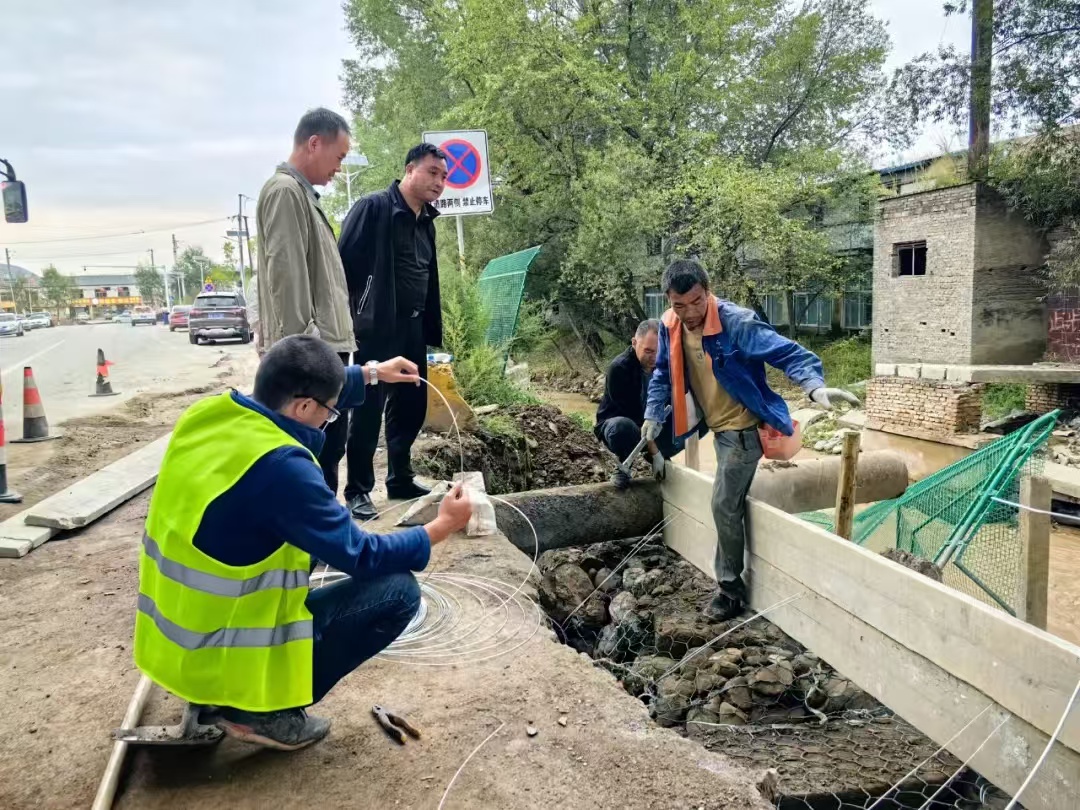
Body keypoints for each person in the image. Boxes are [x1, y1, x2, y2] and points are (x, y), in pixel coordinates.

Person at [132, 335, 473, 751]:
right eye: (331, 410)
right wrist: (441, 525)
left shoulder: (207, 416)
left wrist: (371, 374)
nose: (331, 417)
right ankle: (263, 712)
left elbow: (306, 390)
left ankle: (218, 695)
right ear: (305, 407)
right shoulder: (283, 468)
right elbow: (364, 555)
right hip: (229, 655)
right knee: (398, 592)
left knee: (305, 545)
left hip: (177, 647)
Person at [643, 259, 857, 621]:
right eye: (680, 305)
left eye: (696, 302)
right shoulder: (669, 324)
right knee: (724, 494)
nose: (690, 313)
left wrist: (814, 386)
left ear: (708, 292)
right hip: (710, 423)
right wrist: (652, 413)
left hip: (742, 428)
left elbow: (786, 352)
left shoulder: (736, 322)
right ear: (668, 301)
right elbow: (663, 372)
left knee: (723, 502)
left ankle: (730, 591)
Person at [337, 143, 448, 520]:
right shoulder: (373, 208)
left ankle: (400, 477)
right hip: (378, 328)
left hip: (414, 326)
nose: (439, 182)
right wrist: (358, 313)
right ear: (409, 169)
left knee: (411, 405)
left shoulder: (426, 220)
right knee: (368, 409)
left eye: (444, 176)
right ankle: (358, 489)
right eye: (432, 172)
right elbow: (342, 267)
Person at [255, 107, 355, 492]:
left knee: (328, 450)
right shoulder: (285, 192)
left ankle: (321, 527)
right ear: (314, 143)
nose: (339, 169)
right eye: (339, 157)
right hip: (314, 354)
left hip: (322, 348)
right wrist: (306, 355)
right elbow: (287, 277)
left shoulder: (301, 195)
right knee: (314, 456)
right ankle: (314, 531)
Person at [594, 319, 676, 489]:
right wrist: (655, 452)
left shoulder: (664, 367)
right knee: (622, 427)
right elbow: (634, 417)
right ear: (634, 343)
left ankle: (662, 456)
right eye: (648, 351)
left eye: (659, 351)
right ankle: (624, 465)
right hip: (621, 423)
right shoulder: (619, 368)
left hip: (654, 423)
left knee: (692, 420)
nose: (654, 358)